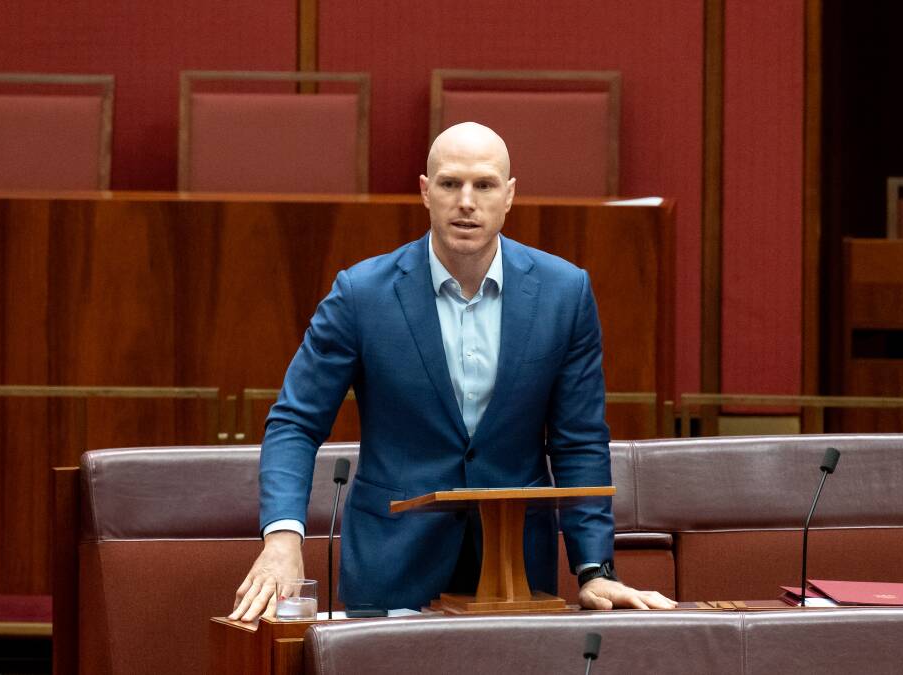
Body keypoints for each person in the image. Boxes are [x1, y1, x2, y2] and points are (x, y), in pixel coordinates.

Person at [229, 122, 674, 621]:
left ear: (508, 196)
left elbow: (579, 440)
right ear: (425, 192)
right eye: (449, 184)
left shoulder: (563, 294)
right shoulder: (362, 294)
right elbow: (295, 422)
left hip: (515, 575)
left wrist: (594, 569)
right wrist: (284, 538)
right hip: (391, 566)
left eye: (483, 185)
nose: (466, 201)